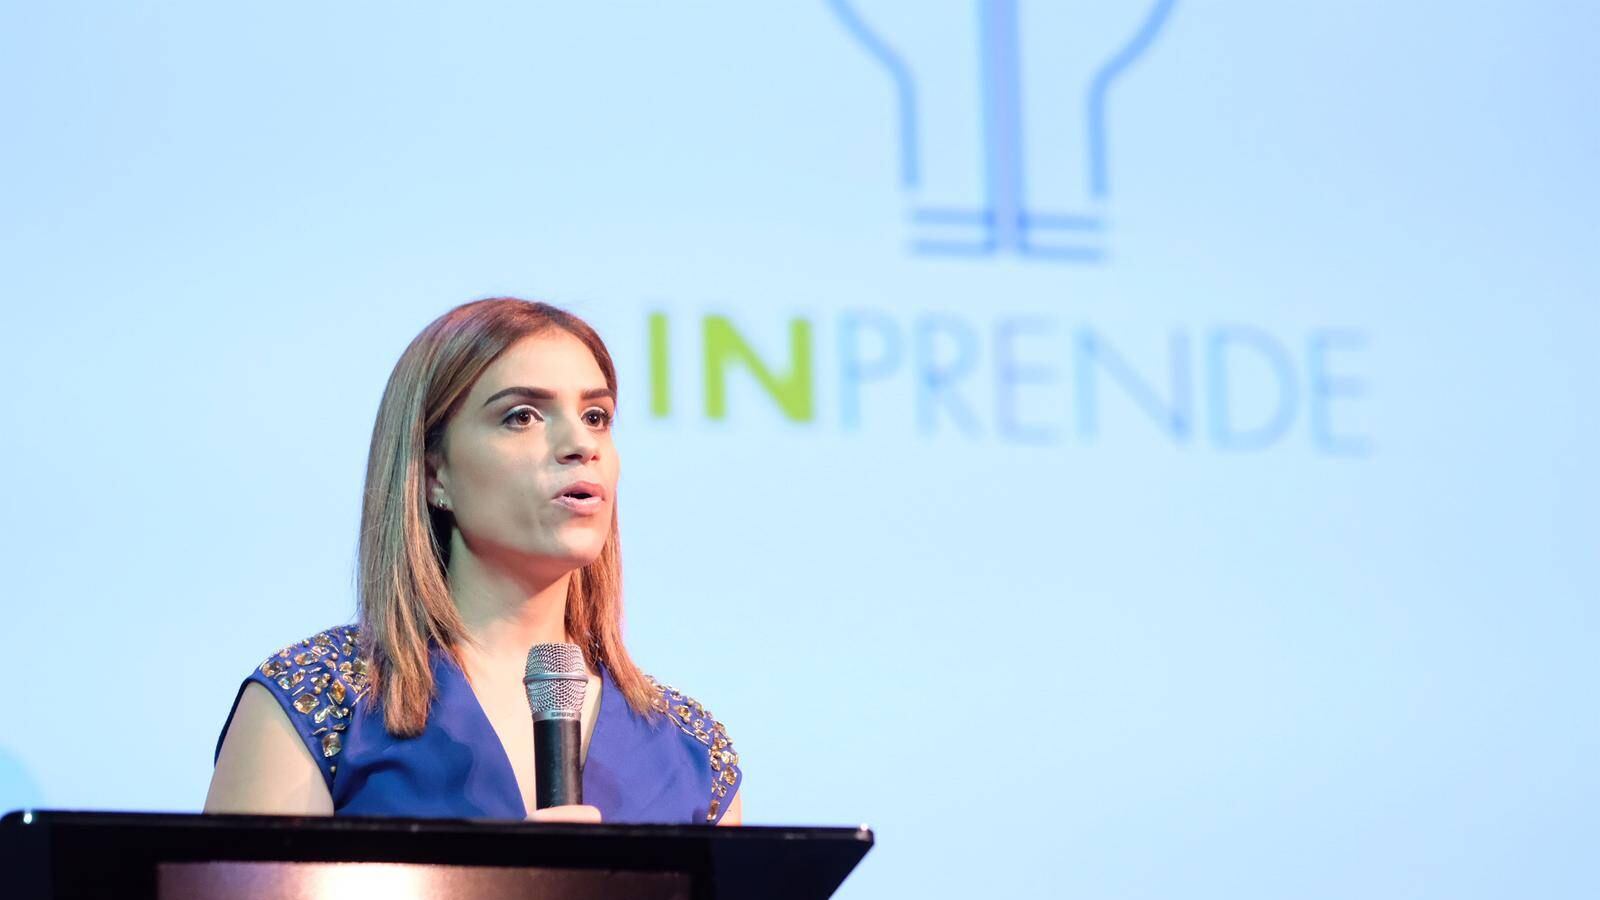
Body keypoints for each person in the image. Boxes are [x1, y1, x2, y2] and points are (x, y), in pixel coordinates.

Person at [204, 298, 742, 825]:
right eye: (522, 416)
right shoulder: (322, 703)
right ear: (434, 474)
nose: (581, 443)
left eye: (596, 416)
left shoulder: (691, 754)